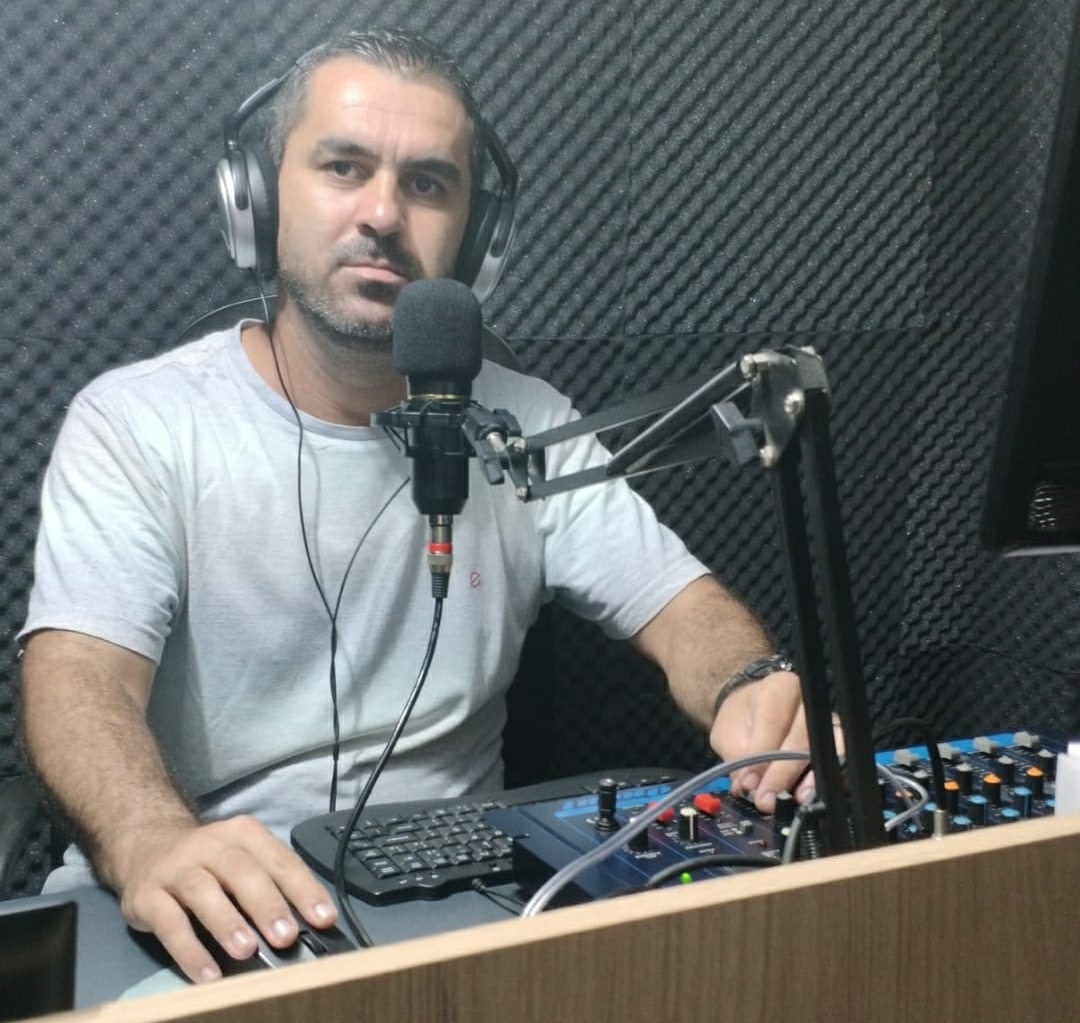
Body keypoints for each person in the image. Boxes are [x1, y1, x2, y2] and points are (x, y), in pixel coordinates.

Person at [18, 28, 812, 985]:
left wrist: (748, 681)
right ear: (259, 199)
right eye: (343, 167)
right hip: (198, 903)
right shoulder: (138, 423)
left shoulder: (526, 423)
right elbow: (79, 679)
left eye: (429, 183)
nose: (384, 214)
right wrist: (151, 837)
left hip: (453, 906)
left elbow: (681, 608)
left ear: (478, 235)